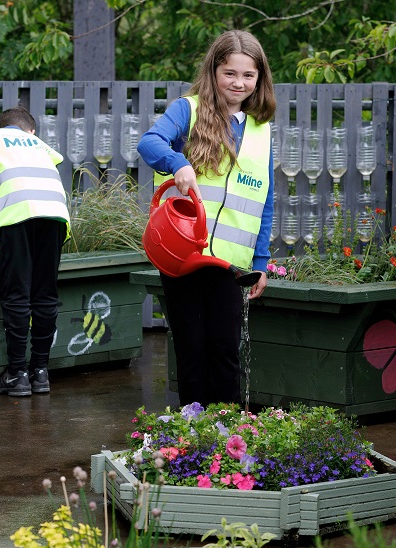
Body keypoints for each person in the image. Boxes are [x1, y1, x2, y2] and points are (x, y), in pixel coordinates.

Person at [137, 30, 275, 408]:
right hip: (183, 255)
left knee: (225, 351)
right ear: (214, 70)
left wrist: (261, 263)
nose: (239, 83)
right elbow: (149, 143)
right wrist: (178, 162)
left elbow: (266, 201)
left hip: (230, 261)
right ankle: (191, 433)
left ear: (260, 78)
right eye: (230, 73)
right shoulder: (189, 109)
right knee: (191, 348)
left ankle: (225, 437)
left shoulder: (262, 130)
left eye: (248, 76)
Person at [0, 106, 71, 397]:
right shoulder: (40, 144)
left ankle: (16, 374)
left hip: (17, 215)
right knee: (45, 293)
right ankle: (40, 372)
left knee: (17, 294)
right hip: (53, 214)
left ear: (2, 127)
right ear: (31, 130)